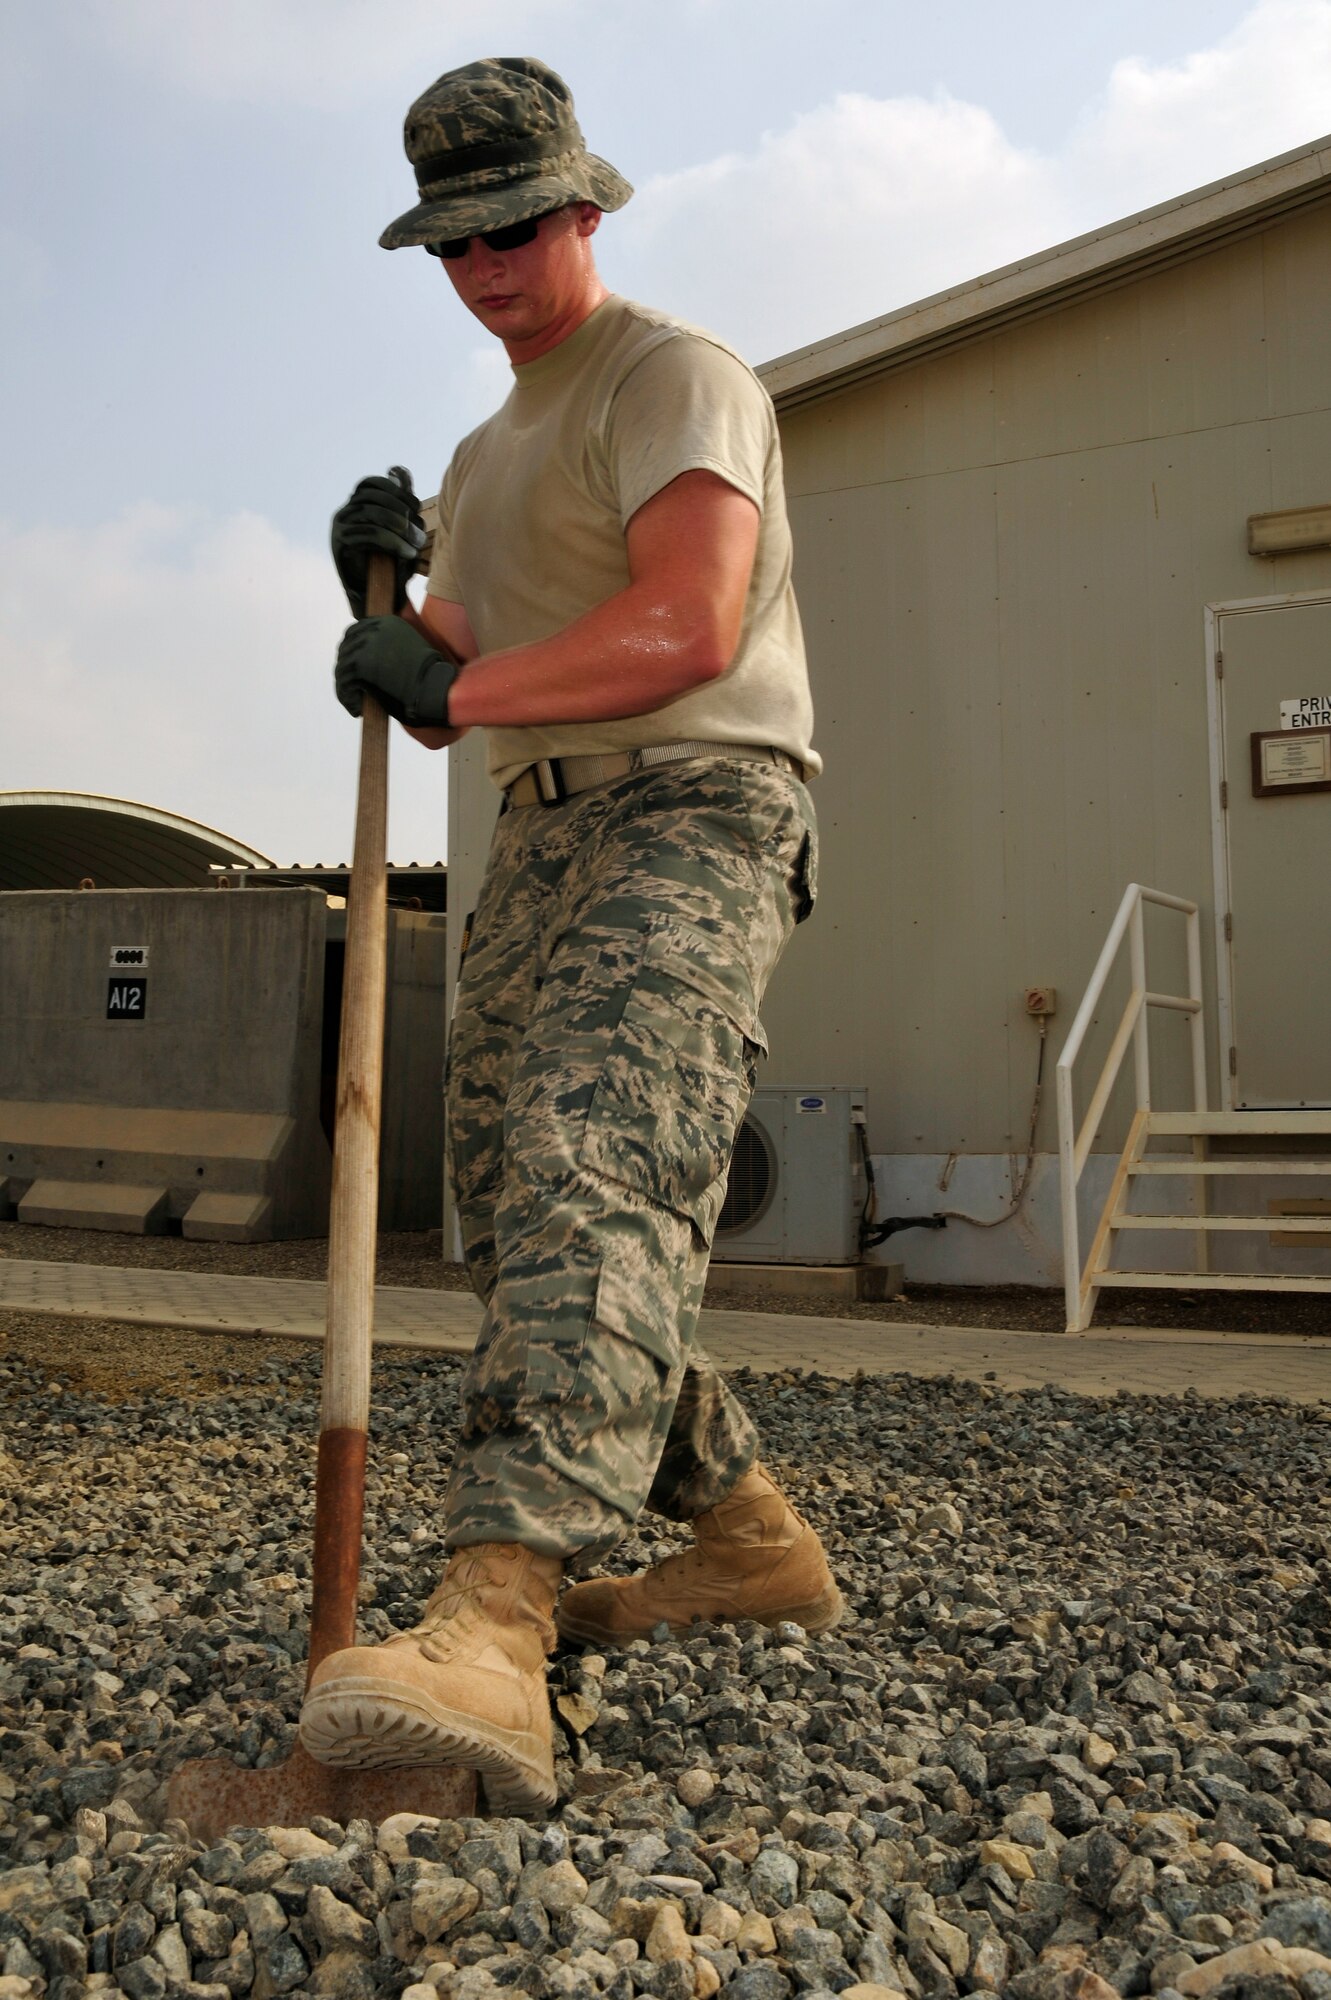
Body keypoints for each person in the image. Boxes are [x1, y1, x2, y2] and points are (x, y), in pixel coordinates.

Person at [299, 55, 841, 1815]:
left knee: (594, 1164)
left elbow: (681, 623)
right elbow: (449, 659)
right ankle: (750, 1537)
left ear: (582, 208)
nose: (486, 268)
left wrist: (446, 677)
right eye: (453, 244)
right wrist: (384, 600)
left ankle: (498, 1621)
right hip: (536, 839)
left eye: (515, 228)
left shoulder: (671, 375)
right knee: (527, 1217)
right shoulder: (487, 447)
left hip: (691, 802)